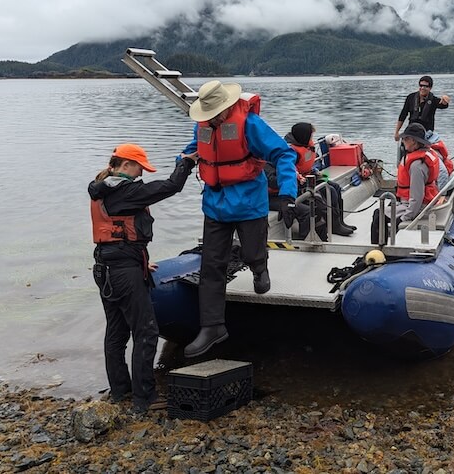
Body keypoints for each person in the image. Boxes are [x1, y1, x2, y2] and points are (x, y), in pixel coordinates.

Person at [180, 80, 298, 358]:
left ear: (225, 108)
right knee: (212, 266)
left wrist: (288, 194)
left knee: (251, 253)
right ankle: (212, 326)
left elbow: (283, 153)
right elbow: (192, 148)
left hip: (248, 204)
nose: (207, 118)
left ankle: (259, 269)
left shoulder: (251, 124)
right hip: (215, 205)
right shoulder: (203, 126)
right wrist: (182, 161)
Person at [88, 144, 197, 414]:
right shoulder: (126, 191)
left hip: (106, 268)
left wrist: (142, 263)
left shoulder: (102, 187)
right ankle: (144, 398)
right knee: (146, 332)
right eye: (139, 168)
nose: (140, 174)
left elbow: (120, 235)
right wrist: (186, 163)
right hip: (123, 271)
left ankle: (120, 391)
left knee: (116, 333)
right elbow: (171, 186)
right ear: (125, 165)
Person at [265, 122, 354, 241]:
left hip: (298, 184)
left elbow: (301, 167)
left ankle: (336, 223)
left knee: (334, 188)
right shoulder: (285, 155)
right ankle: (308, 237)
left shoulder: (302, 149)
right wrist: (295, 179)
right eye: (311, 136)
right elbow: (276, 179)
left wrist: (313, 173)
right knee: (318, 199)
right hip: (279, 194)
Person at [393, 75, 450, 142]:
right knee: (406, 141)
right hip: (412, 129)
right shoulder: (410, 97)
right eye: (421, 85)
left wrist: (445, 100)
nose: (423, 88)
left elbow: (443, 105)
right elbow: (403, 115)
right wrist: (397, 132)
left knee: (422, 140)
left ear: (430, 88)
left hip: (427, 131)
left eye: (426, 86)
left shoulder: (434, 100)